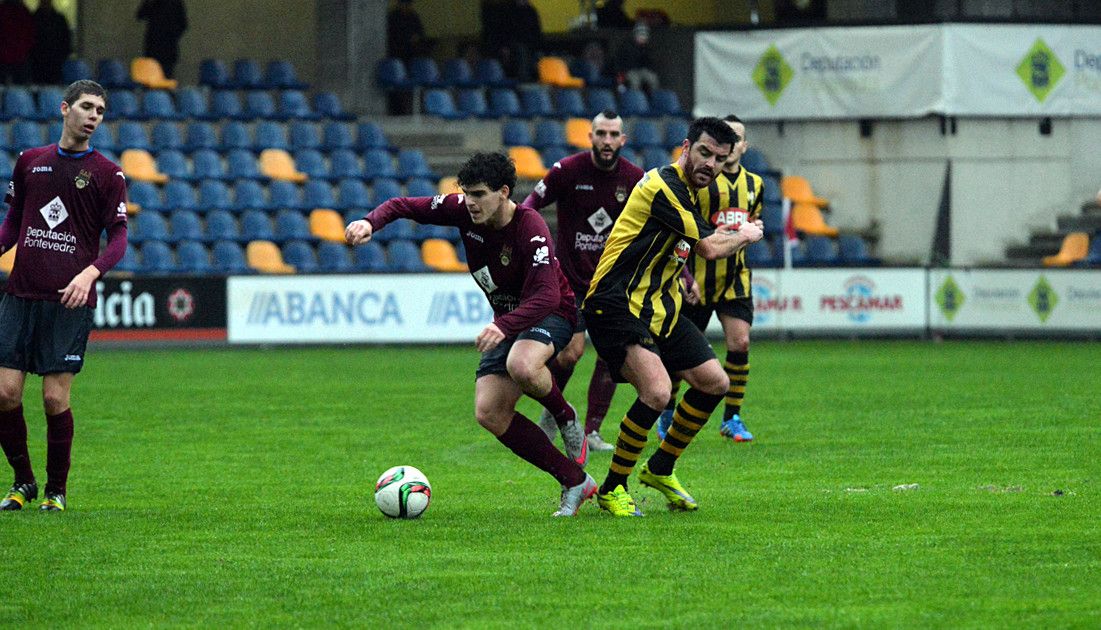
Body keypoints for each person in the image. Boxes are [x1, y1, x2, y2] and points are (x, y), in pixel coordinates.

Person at [345, 152, 596, 517]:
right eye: (466, 193)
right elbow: (402, 205)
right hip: (509, 321)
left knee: (523, 365)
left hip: (553, 312)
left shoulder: (530, 226)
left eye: (478, 194)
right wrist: (370, 223)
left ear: (504, 192)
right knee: (489, 412)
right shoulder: (462, 210)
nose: (470, 202)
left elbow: (547, 295)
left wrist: (502, 326)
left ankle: (565, 415)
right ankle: (574, 480)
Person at [582, 117, 764, 517]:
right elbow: (709, 248)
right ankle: (613, 487)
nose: (711, 164)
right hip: (616, 303)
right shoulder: (663, 185)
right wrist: (747, 235)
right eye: (704, 153)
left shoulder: (698, 192)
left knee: (715, 383)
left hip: (659, 305)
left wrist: (680, 276)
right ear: (686, 147)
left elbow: (672, 241)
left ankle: (661, 468)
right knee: (658, 391)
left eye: (719, 158)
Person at [0, 80, 129, 512]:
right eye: (87, 107)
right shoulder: (30, 163)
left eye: (100, 111)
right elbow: (12, 224)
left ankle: (57, 491)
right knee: (4, 394)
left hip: (68, 303)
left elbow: (119, 238)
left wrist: (91, 273)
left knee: (55, 399)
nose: (93, 116)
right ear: (64, 109)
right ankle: (23, 483)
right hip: (20, 295)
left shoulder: (108, 174)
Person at [522, 109, 644, 453]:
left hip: (611, 283)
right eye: (601, 134)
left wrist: (685, 273)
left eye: (613, 135)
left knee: (611, 354)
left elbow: (661, 226)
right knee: (569, 354)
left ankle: (591, 431)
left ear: (623, 140)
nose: (607, 141)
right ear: (589, 136)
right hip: (570, 281)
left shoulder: (634, 178)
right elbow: (530, 206)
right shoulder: (567, 170)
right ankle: (554, 414)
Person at [657, 115, 765, 444]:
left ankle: (732, 417)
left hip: (735, 278)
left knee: (740, 343)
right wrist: (684, 275)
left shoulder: (756, 185)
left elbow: (755, 225)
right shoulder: (701, 183)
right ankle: (667, 411)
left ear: (742, 146)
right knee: (680, 354)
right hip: (697, 282)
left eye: (736, 138)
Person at [136, 0, 188, 79]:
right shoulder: (152, 2)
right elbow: (140, 15)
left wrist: (172, 35)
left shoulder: (176, 2)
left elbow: (183, 24)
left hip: (168, 48)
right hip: (153, 47)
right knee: (151, 79)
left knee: (166, 78)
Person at [30, 0, 73, 85]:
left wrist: (63, 55)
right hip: (37, 62)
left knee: (54, 86)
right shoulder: (33, 19)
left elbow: (65, 39)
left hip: (55, 61)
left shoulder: (59, 19)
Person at [613, 22, 660, 95]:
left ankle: (653, 99)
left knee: (653, 78)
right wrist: (620, 74)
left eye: (645, 35)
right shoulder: (626, 46)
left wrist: (650, 68)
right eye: (641, 35)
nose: (643, 38)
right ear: (635, 35)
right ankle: (635, 100)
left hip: (641, 70)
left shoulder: (646, 48)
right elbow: (618, 61)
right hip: (628, 70)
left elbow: (649, 62)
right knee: (635, 81)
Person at [0, 0, 35, 85]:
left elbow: (30, 35)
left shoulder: (23, 12)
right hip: (7, 58)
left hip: (19, 58)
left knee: (20, 90)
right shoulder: (3, 11)